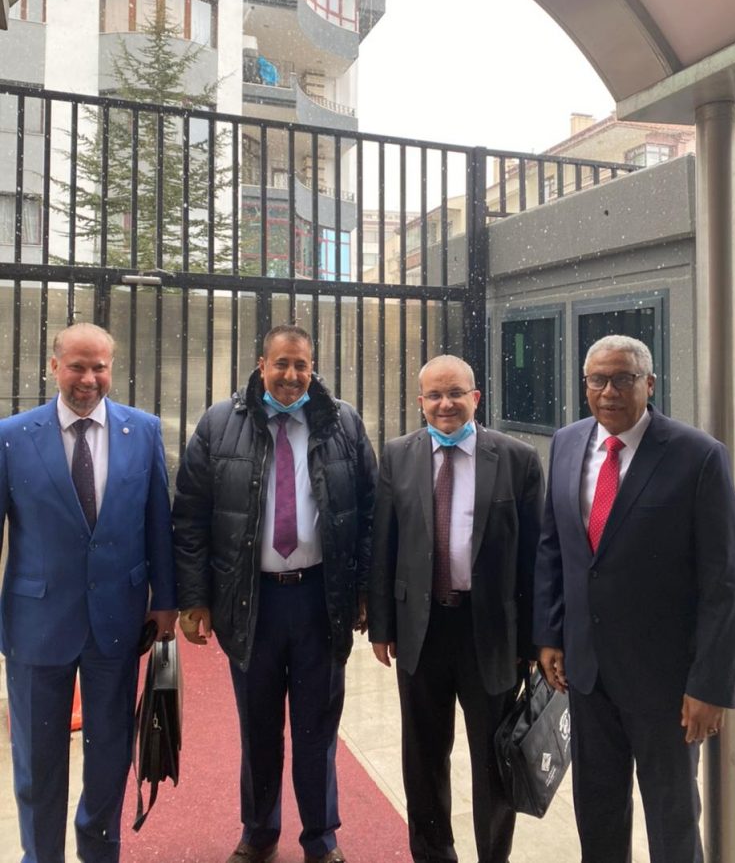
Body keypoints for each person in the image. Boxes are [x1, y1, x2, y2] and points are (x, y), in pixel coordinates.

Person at [534, 334, 735, 863]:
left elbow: (724, 581)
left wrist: (710, 685)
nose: (609, 391)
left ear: (649, 384)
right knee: (598, 814)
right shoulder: (567, 443)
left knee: (673, 823)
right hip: (587, 676)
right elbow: (554, 548)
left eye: (623, 379)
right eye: (598, 380)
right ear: (585, 385)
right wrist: (550, 633)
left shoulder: (697, 456)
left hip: (667, 686)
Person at [172, 323, 377, 863]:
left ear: (313, 368)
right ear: (261, 364)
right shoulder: (220, 424)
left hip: (319, 601)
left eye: (301, 365)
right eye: (281, 363)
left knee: (317, 729)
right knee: (258, 726)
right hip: (250, 601)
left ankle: (321, 839)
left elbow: (368, 512)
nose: (291, 375)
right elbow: (190, 517)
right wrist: (194, 598)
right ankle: (259, 832)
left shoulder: (342, 423)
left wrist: (363, 589)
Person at [0, 321, 177, 863]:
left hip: (117, 623)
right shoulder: (11, 437)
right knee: (38, 762)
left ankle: (100, 853)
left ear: (111, 368)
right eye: (77, 366)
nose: (88, 378)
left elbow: (158, 523)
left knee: (110, 757)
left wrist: (165, 601)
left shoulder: (142, 431)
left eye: (99, 366)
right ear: (53, 366)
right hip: (36, 625)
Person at [367, 354, 544, 863]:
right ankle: (433, 853)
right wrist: (381, 625)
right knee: (422, 756)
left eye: (456, 393)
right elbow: (384, 546)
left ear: (475, 398)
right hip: (420, 630)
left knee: (494, 758)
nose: (445, 404)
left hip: (490, 633)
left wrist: (533, 641)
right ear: (420, 401)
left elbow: (535, 558)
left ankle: (493, 855)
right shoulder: (397, 455)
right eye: (435, 395)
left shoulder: (516, 459)